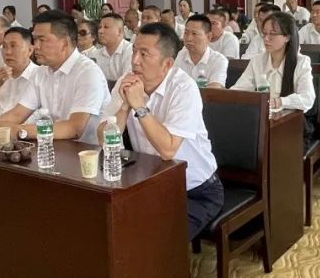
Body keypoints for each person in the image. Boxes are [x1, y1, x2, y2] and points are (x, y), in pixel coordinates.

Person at [99, 22, 223, 246]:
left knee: (156, 243)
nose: (134, 60)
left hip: (194, 190)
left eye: (144, 54)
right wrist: (124, 106)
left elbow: (168, 149)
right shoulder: (127, 82)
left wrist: (139, 106)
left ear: (167, 64)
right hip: (148, 184)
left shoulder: (184, 88)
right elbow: (103, 138)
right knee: (108, 229)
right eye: (134, 51)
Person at [0, 10, 110, 144]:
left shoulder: (88, 73)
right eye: (35, 39)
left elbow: (74, 128)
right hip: (57, 147)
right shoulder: (41, 72)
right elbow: (17, 114)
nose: (36, 46)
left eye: (42, 40)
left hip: (94, 151)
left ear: (64, 43)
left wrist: (18, 131)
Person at [232, 12, 315, 116]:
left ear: (287, 37)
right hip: (261, 117)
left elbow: (307, 98)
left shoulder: (301, 62)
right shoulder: (257, 61)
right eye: (264, 33)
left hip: (290, 121)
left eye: (272, 34)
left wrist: (279, 102)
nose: (266, 38)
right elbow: (239, 89)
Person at [0, 27, 40, 122]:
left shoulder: (39, 76)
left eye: (13, 46)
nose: (7, 52)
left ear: (30, 50)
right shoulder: (1, 74)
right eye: (4, 46)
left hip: (20, 130)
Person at [175, 14, 228, 88]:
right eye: (186, 33)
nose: (188, 38)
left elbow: (214, 89)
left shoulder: (219, 60)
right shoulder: (181, 55)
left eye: (194, 34)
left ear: (208, 36)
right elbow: (172, 83)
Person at [93, 13, 133, 82]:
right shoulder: (95, 54)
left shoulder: (131, 51)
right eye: (100, 27)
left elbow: (127, 81)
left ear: (119, 31)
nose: (100, 31)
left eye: (106, 27)